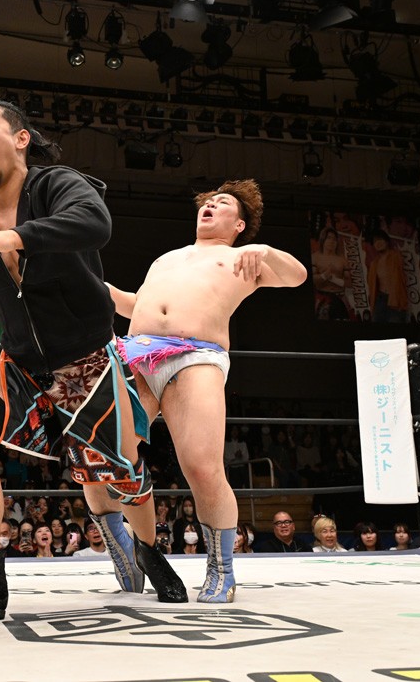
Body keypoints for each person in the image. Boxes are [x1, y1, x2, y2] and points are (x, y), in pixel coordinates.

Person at [0, 99, 186, 620]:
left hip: (86, 359)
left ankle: (149, 550)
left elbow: (95, 223)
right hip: (19, 360)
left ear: (21, 139)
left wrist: (15, 237)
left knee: (121, 474)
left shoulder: (57, 185)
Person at [107, 179, 307, 602]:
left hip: (194, 355)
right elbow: (136, 304)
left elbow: (297, 276)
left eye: (223, 202)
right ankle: (125, 545)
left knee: (202, 466)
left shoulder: (242, 259)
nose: (211, 205)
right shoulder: (166, 259)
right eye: (208, 201)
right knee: (105, 453)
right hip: (135, 353)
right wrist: (98, 290)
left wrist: (265, 251)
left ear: (240, 224)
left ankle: (221, 567)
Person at [366, 228, 408, 324]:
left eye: (380, 239)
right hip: (380, 299)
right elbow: (372, 285)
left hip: (395, 298)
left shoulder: (396, 256)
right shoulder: (374, 263)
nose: (378, 243)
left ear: (387, 241)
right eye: (375, 241)